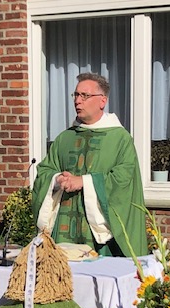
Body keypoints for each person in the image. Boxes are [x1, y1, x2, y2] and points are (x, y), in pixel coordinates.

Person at [32, 72, 148, 257]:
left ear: (102, 101)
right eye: (76, 95)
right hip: (64, 228)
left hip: (100, 235)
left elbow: (124, 179)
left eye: (84, 96)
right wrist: (57, 178)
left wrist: (84, 182)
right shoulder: (65, 138)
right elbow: (45, 170)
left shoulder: (120, 139)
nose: (78, 101)